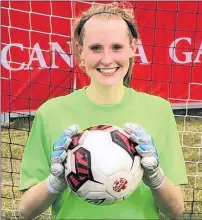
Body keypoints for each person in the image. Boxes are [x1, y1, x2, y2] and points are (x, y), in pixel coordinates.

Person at [19, 2, 188, 220]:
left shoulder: (159, 110)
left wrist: (155, 178)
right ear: (81, 53)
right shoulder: (50, 112)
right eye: (95, 48)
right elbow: (26, 211)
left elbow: (176, 211)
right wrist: (55, 182)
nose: (107, 59)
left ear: (133, 48)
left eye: (116, 47)